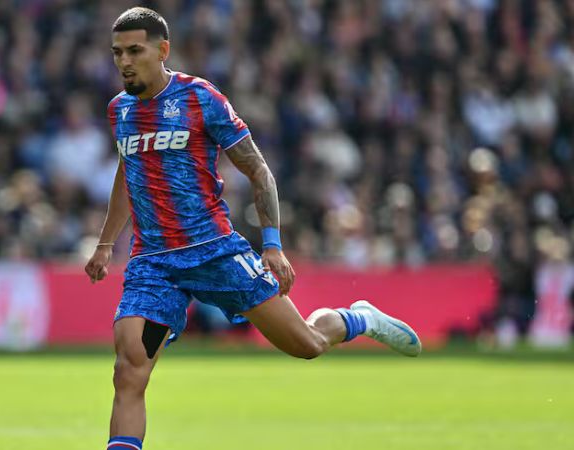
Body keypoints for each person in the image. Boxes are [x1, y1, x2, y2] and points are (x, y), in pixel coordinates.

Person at [84, 7, 422, 450]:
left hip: (214, 250)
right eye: (117, 53)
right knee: (128, 372)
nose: (124, 61)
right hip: (154, 263)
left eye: (134, 50)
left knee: (306, 344)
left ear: (162, 50)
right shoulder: (120, 110)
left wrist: (273, 245)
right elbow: (128, 171)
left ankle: (359, 317)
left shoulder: (200, 98)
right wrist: (106, 242)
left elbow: (258, 170)